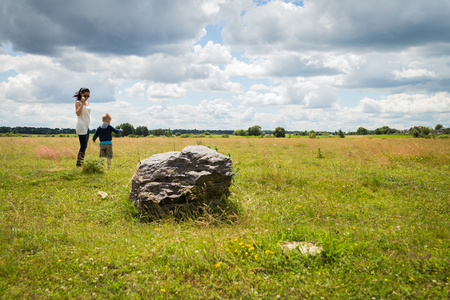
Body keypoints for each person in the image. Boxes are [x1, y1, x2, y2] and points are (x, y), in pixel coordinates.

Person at [74, 88, 91, 167]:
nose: (87, 97)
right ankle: (79, 164)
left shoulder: (88, 103)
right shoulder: (78, 102)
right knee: (83, 146)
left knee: (85, 146)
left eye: (88, 95)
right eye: (85, 95)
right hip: (81, 126)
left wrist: (85, 102)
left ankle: (80, 163)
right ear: (81, 94)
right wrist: (82, 103)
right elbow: (78, 113)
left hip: (87, 126)